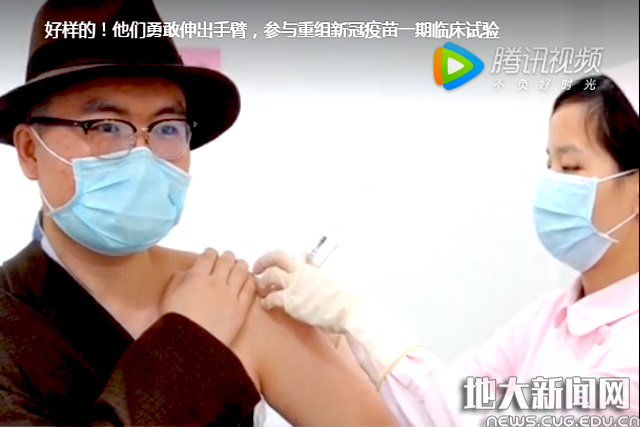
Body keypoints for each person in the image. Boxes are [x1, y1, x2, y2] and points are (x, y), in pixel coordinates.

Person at [0, 1, 399, 426]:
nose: (142, 155)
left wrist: (362, 340)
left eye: (167, 128)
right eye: (106, 127)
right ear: (30, 151)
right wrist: (187, 345)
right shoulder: (10, 326)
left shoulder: (228, 294)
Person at [253, 60, 640, 426]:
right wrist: (340, 340)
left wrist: (353, 316)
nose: (551, 184)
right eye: (549, 165)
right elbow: (436, 404)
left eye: (570, 167)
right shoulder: (549, 317)